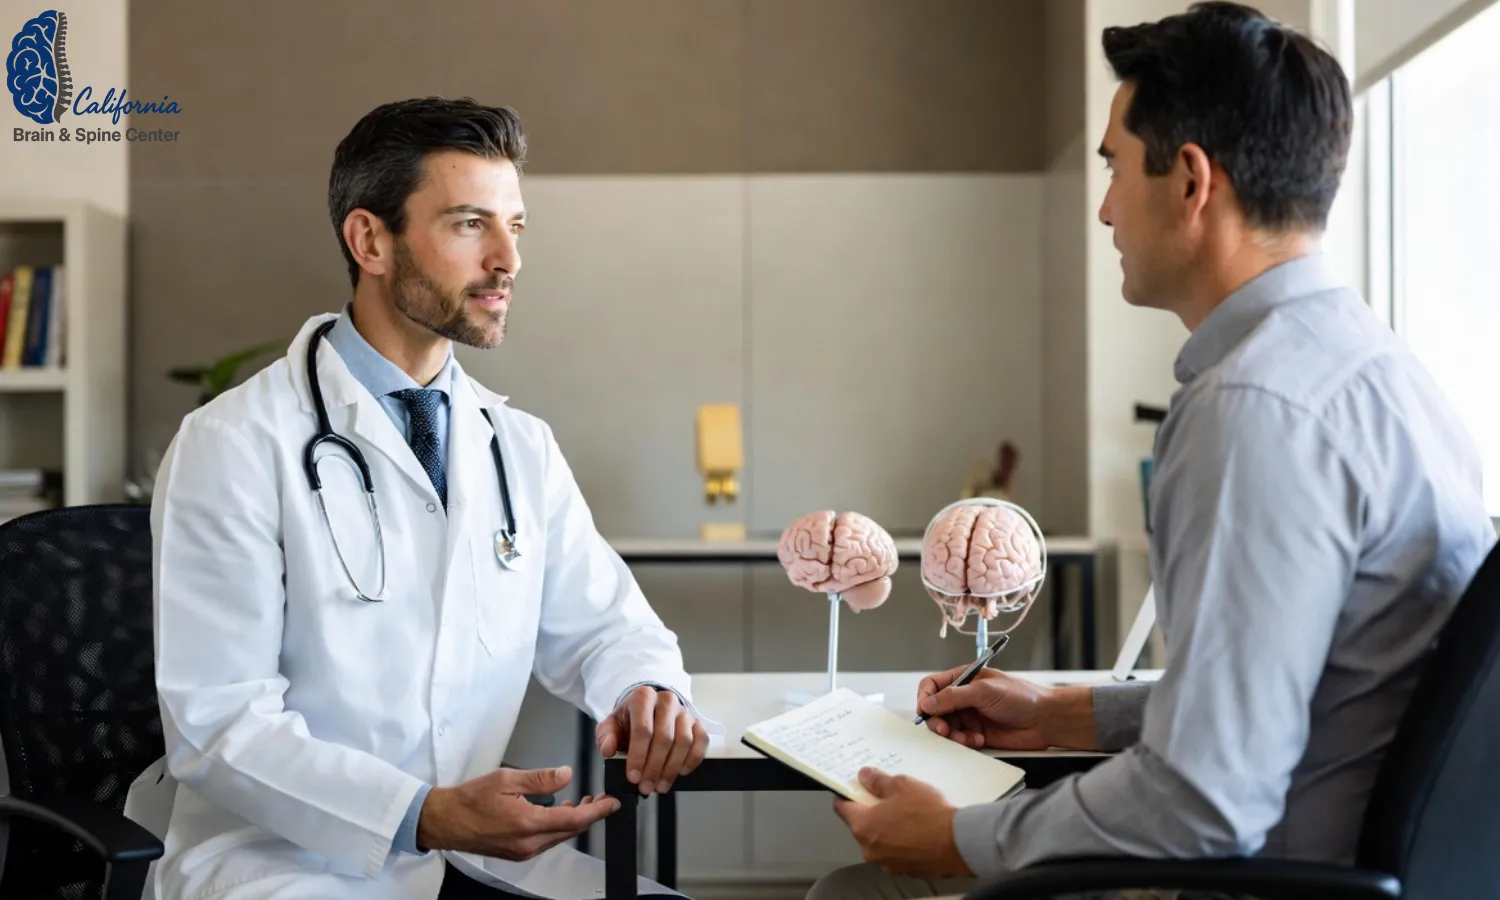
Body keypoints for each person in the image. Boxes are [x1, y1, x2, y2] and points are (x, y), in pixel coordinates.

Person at [807, 4, 1496, 900]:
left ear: (1191, 183)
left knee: (856, 893)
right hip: (1347, 869)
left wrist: (958, 838)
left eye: (1115, 166)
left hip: (1263, 881)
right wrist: (1065, 715)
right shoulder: (1380, 373)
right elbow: (1295, 694)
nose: (1103, 207)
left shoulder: (1254, 412)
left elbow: (1205, 800)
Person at [122, 97, 714, 900]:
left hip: (473, 860)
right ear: (370, 239)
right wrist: (422, 814)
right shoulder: (234, 443)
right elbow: (220, 727)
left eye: (517, 227)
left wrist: (647, 688)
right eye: (471, 224)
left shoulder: (517, 446)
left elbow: (605, 625)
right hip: (282, 866)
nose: (507, 259)